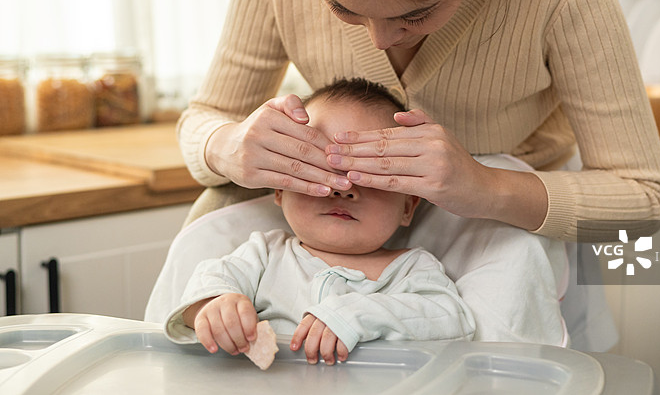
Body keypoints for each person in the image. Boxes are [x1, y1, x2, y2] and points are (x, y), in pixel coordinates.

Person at [175, 0, 660, 351]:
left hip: (500, 228)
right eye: (342, 8)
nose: (379, 37)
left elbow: (643, 197)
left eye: (418, 13)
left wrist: (483, 185)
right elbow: (206, 117)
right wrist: (229, 146)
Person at [164, 79, 477, 365]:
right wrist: (216, 305)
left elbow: (453, 319)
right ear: (280, 187)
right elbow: (210, 280)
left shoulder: (412, 269)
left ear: (408, 206)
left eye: (372, 175)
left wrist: (355, 314)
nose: (344, 189)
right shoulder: (265, 254)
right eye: (320, 166)